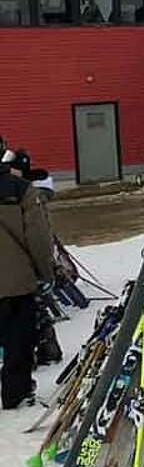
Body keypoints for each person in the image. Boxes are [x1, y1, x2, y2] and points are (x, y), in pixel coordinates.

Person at [0, 153, 55, 408]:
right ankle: (16, 394)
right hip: (16, 282)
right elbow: (39, 239)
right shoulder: (21, 190)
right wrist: (46, 273)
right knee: (17, 342)